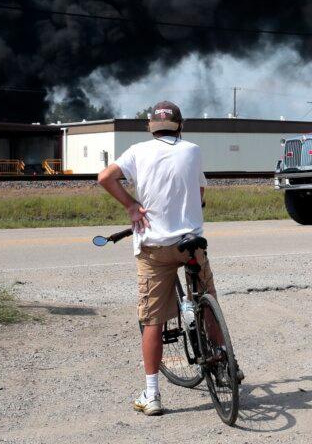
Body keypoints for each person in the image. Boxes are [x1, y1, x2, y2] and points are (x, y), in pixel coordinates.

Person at [97, 100, 217, 416]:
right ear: (180, 125)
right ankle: (223, 366)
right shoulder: (192, 150)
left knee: (152, 319)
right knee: (208, 299)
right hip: (191, 242)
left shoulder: (137, 151)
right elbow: (201, 195)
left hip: (154, 249)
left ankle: (152, 395)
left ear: (150, 126)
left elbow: (105, 177)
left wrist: (131, 206)